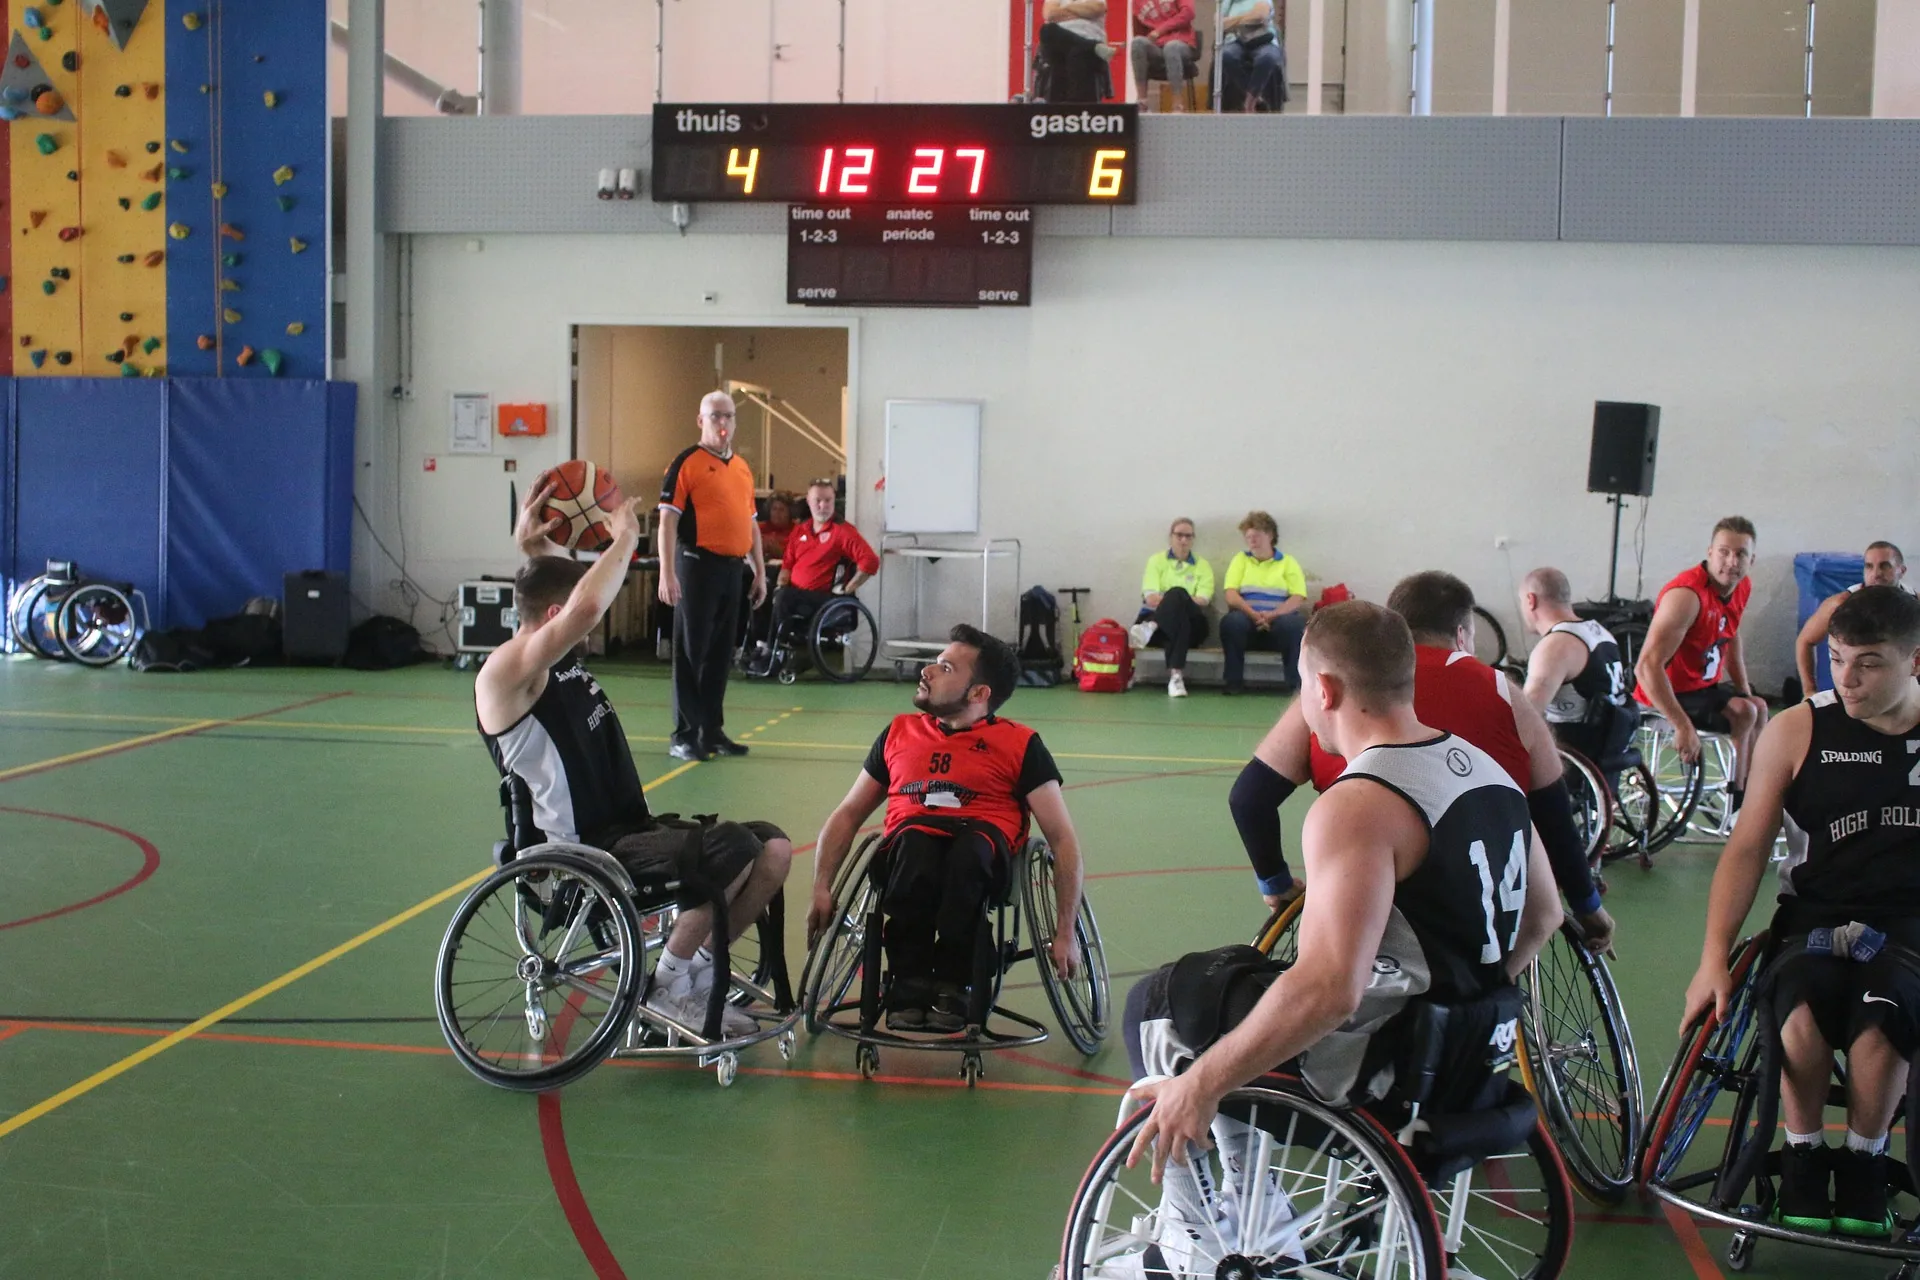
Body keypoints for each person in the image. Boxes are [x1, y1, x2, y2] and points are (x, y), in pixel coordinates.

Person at [1121, 603, 1560, 1239]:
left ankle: (1196, 1232)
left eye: (1301, 684)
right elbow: (1544, 915)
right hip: (1467, 1055)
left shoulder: (1357, 804)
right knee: (1232, 977)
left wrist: (1200, 1085)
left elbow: (1330, 989)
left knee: (1159, 1003)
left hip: (1383, 1070)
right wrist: (1457, 1002)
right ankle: (1252, 1194)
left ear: (1323, 689)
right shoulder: (1488, 770)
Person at [477, 474, 792, 1038]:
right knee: (728, 850)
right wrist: (625, 536)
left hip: (628, 827)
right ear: (554, 617)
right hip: (585, 846)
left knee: (772, 849)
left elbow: (572, 595)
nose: (587, 628)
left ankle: (694, 973)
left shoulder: (550, 655)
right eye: (570, 618)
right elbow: (583, 607)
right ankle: (664, 988)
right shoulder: (506, 673)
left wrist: (533, 546)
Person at [1680, 586, 1920, 1240]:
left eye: (1868, 663)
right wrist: (1712, 958)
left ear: (1914, 661)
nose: (1847, 677)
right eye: (1837, 659)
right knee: (1801, 1010)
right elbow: (1748, 848)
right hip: (1814, 916)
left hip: (1908, 925)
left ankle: (1866, 1161)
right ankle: (1804, 1154)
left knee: (1882, 1018)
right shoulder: (1798, 728)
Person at [1229, 571, 1616, 952]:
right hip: (1479, 925)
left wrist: (1276, 883)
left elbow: (1250, 798)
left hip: (1361, 912)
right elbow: (1553, 814)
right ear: (1462, 635)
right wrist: (1587, 904)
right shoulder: (1505, 694)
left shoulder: (1334, 692)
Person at [808, 625, 1083, 1033]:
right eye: (936, 662)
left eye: (946, 668)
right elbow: (848, 813)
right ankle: (909, 979)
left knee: (968, 854)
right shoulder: (899, 732)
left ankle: (957, 981)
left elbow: (1062, 839)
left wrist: (1065, 930)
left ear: (979, 693)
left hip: (981, 851)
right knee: (915, 845)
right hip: (910, 846)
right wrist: (821, 885)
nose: (928, 671)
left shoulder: (1021, 744)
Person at [657, 391, 767, 762]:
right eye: (715, 415)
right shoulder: (686, 463)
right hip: (696, 566)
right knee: (691, 653)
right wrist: (667, 572)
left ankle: (711, 731)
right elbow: (667, 521)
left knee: (721, 654)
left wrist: (759, 571)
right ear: (700, 420)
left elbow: (750, 523)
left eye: (728, 416)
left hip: (732, 569)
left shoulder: (742, 467)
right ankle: (684, 735)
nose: (723, 423)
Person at [1635, 516, 1768, 806]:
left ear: (1752, 560)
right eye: (1724, 552)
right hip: (1664, 693)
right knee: (1745, 712)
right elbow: (1645, 667)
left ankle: (1754, 792)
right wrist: (1682, 726)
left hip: (1700, 688)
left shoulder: (1741, 586)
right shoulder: (1686, 597)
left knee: (1757, 706)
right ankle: (1738, 802)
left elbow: (1731, 635)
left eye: (1741, 554)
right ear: (1710, 552)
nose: (1732, 562)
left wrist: (1744, 689)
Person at [1518, 566, 1639, 769]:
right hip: (1609, 746)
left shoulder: (1556, 646)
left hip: (1572, 755)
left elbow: (1525, 715)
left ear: (1531, 600)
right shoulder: (1600, 632)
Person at [767, 478, 879, 651]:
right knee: (762, 591)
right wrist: (779, 586)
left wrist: (848, 588)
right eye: (818, 500)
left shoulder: (842, 531)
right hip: (796, 594)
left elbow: (870, 561)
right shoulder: (800, 530)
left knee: (784, 598)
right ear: (808, 502)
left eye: (828, 500)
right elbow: (787, 565)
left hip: (824, 599)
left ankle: (776, 649)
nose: (823, 505)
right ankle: (758, 646)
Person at [1794, 541, 1910, 698]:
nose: (1876, 573)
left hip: (1902, 692)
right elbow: (1804, 641)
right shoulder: (1840, 604)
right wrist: (1809, 691)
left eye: (1885, 566)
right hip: (1853, 692)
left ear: (1901, 571)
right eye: (1869, 566)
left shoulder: (1914, 604)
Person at [1219, 511, 1307, 696]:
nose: (1252, 540)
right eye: (1248, 536)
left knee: (1295, 625)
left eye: (1257, 535)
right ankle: (1233, 682)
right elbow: (1231, 595)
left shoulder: (1288, 562)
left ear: (1270, 535)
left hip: (1278, 625)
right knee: (1232, 622)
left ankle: (1296, 686)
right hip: (1248, 624)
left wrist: (1273, 615)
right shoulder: (1240, 560)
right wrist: (1253, 614)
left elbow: (1297, 597)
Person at [1136, 517, 1215, 698]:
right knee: (1179, 622)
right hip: (1166, 629)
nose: (1183, 540)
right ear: (1170, 537)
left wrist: (1177, 599)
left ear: (1193, 539)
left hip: (1194, 626)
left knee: (1177, 593)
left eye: (1188, 536)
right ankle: (1176, 678)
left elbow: (1203, 600)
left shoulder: (1202, 565)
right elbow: (1151, 598)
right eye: (1179, 535)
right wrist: (1183, 601)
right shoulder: (1156, 561)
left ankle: (1152, 625)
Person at [1039, 0, 1115, 104]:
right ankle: (1091, 46)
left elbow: (1096, 9)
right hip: (1058, 45)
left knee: (1076, 53)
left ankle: (1074, 106)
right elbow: (1050, 14)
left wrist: (1065, 9)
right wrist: (1081, 13)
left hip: (1088, 42)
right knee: (1047, 29)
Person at [1130, 0, 1199, 111]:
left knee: (1171, 47)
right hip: (1157, 47)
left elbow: (1188, 13)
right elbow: (1139, 31)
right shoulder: (1137, 2)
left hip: (1181, 42)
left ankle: (1178, 105)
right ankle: (1142, 102)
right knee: (1137, 42)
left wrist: (1160, 30)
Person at [1218, 0, 1285, 113]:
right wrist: (1249, 17)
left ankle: (1249, 100)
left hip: (1263, 40)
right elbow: (1219, 24)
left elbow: (1260, 15)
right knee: (1226, 55)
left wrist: (1233, 21)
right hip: (1235, 40)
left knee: (1268, 57)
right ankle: (1256, 97)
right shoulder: (1227, 2)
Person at [757, 492, 797, 562]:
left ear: (790, 512)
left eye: (781, 509)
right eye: (774, 509)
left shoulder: (798, 531)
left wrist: (779, 552)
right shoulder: (759, 529)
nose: (777, 513)